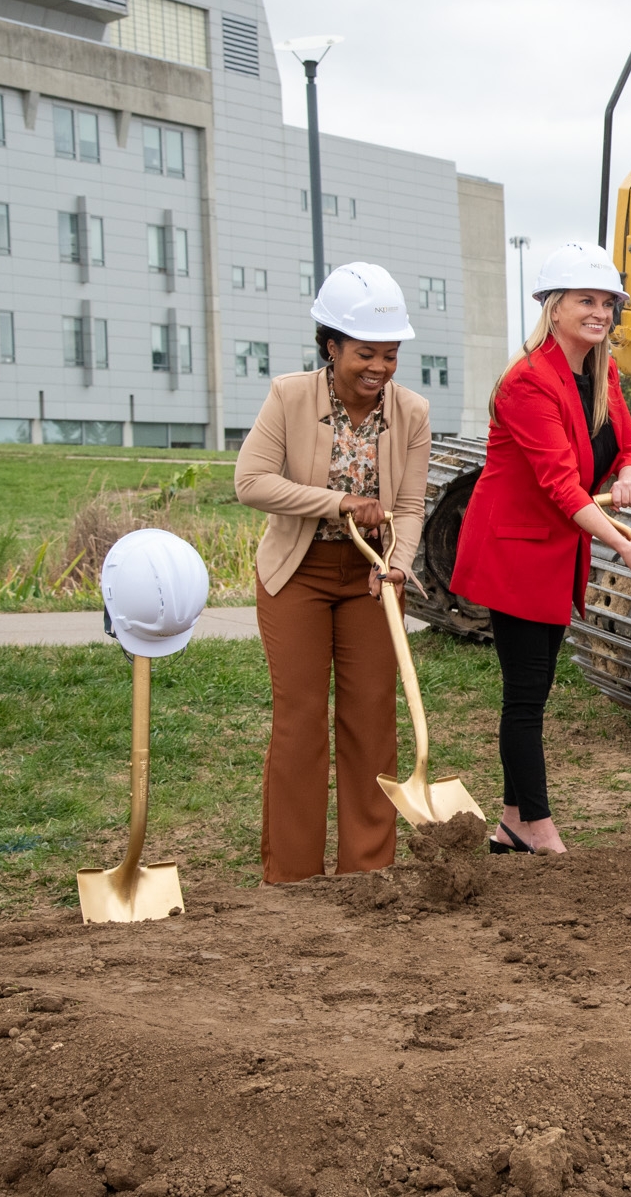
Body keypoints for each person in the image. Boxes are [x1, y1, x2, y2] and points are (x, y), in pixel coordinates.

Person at [451, 243, 631, 852]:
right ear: (553, 307)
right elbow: (560, 484)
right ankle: (535, 824)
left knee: (534, 689)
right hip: (514, 551)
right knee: (526, 690)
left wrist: (629, 476)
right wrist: (624, 543)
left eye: (607, 303)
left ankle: (512, 821)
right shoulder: (527, 382)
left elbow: (630, 447)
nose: (599, 313)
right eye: (584, 301)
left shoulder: (600, 371)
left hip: (558, 547)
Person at [234, 264, 431, 883]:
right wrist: (339, 502)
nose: (379, 368)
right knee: (298, 720)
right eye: (365, 353)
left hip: (372, 576)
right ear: (332, 346)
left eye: (390, 355)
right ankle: (291, 875)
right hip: (298, 573)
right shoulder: (289, 397)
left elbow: (409, 506)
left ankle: (367, 871)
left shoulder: (412, 412)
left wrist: (396, 569)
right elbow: (251, 482)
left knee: (372, 718)